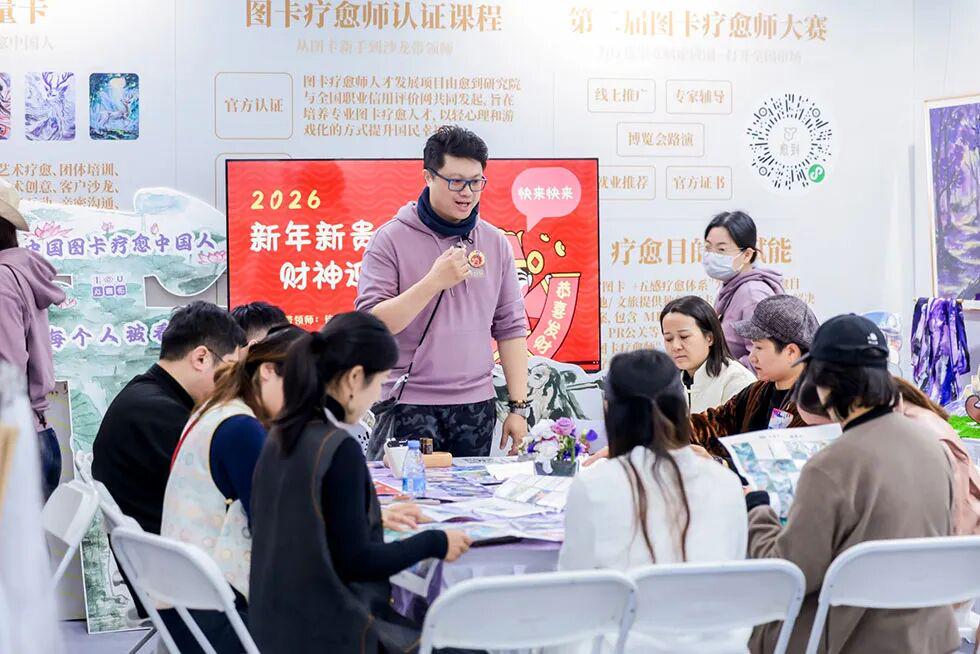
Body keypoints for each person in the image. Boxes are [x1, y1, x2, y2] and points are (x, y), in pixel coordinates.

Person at [248, 311, 472, 653]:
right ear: (355, 378)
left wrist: (376, 516)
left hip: (276, 630)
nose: (378, 394)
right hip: (334, 635)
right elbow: (359, 562)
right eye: (379, 382)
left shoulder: (281, 434)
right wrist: (436, 541)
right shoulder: (337, 448)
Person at [747, 315, 958, 653]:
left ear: (824, 382)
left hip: (853, 639)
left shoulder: (830, 465)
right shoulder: (932, 446)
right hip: (929, 636)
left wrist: (757, 510)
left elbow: (788, 575)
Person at [356, 125, 529, 459]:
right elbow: (372, 326)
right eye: (455, 181)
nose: (467, 193)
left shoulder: (494, 242)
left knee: (472, 493)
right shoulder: (390, 239)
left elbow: (510, 327)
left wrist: (518, 408)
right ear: (428, 177)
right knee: (411, 493)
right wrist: (433, 282)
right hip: (408, 402)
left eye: (475, 182)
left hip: (476, 405)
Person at [560, 350, 748, 653]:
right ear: (682, 407)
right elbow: (733, 569)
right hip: (717, 645)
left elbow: (573, 585)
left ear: (611, 411)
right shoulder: (725, 482)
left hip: (625, 646)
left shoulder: (594, 485)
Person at [157, 325, 304, 653]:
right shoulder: (241, 429)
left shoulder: (217, 408)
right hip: (214, 614)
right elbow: (274, 529)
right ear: (268, 372)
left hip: (186, 601)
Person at [585, 296, 818, 466]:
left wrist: (720, 463)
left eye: (759, 347)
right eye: (668, 339)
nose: (752, 357)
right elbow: (712, 423)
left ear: (791, 351)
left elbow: (784, 466)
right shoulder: (759, 391)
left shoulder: (812, 405)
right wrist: (637, 440)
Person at [92, 301, 246, 534]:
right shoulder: (161, 415)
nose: (234, 383)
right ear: (201, 358)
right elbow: (222, 494)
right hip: (175, 546)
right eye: (231, 368)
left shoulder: (144, 396)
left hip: (154, 545)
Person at [0, 179, 66, 499]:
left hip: (12, 442)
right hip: (33, 433)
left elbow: (7, 372)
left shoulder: (2, 279)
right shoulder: (18, 273)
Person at [704, 211, 784, 369]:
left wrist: (720, 372)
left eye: (721, 250)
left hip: (743, 383)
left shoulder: (752, 295)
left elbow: (763, 360)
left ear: (747, 255)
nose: (711, 256)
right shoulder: (731, 287)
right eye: (708, 247)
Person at [660, 296, 756, 413]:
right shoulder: (668, 383)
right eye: (668, 339)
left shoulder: (737, 380)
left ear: (709, 338)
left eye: (684, 337)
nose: (675, 346)